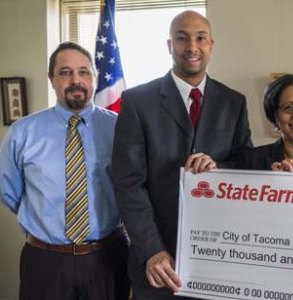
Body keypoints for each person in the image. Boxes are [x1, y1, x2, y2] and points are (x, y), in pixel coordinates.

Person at [111, 10, 253, 299]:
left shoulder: (234, 102)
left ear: (211, 45)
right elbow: (127, 184)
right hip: (157, 260)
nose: (192, 47)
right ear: (169, 46)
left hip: (218, 256)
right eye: (182, 38)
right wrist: (152, 250)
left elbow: (245, 166)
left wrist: (219, 167)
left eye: (200, 38)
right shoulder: (137, 101)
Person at [0, 42, 129, 300]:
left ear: (95, 78)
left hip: (107, 257)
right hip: (45, 261)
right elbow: (8, 193)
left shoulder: (120, 129)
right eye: (66, 72)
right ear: (52, 78)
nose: (76, 80)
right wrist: (45, 216)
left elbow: (133, 187)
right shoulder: (22, 132)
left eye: (84, 72)